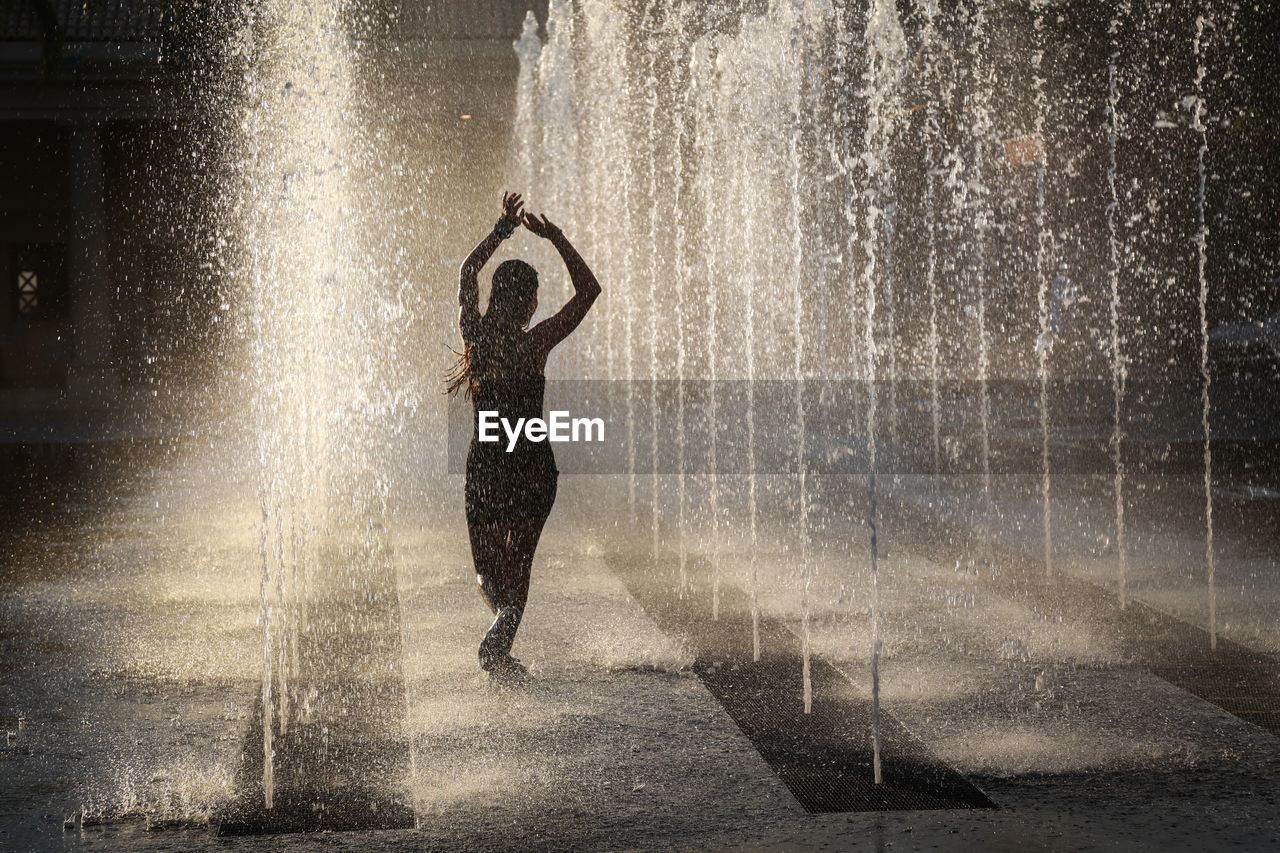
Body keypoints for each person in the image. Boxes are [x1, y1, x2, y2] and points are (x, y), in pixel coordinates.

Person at [446, 191, 601, 681]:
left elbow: (467, 274)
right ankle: (503, 636)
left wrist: (500, 230)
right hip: (533, 465)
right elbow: (589, 291)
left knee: (488, 574)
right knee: (521, 566)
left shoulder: (476, 335)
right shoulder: (536, 343)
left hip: (488, 465)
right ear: (532, 302)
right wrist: (554, 237)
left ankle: (501, 626)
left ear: (496, 297)